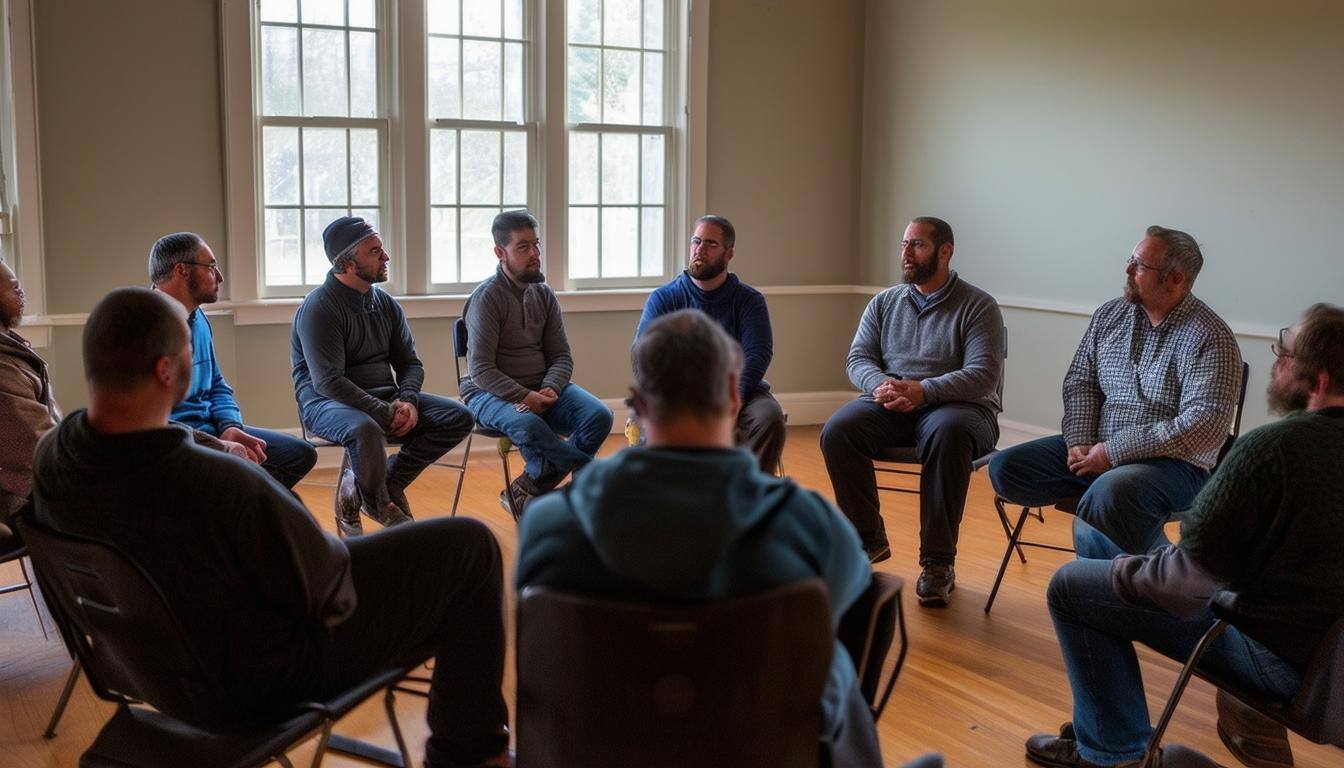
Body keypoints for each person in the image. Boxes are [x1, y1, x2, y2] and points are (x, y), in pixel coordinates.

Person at [30, 287, 511, 768]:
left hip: (144, 671)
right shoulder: (221, 485)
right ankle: (470, 752)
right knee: (470, 545)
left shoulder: (54, 458)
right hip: (255, 687)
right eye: (187, 352)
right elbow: (332, 591)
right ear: (166, 370)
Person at [516, 308, 887, 767]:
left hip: (602, 750)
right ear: (734, 396)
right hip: (760, 750)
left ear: (638, 403)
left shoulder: (550, 524)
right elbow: (851, 601)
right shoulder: (808, 523)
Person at [1024, 303, 1344, 768]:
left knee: (1072, 586)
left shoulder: (1272, 451)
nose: (1276, 360)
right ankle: (1103, 724)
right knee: (1094, 535)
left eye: (1286, 352)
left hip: (1276, 660)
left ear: (1317, 383)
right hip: (1329, 663)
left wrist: (1124, 574)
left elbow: (1182, 590)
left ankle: (1113, 753)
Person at [989, 226, 1242, 560]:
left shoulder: (1211, 337)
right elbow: (1081, 381)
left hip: (1173, 466)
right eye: (1131, 260)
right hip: (1097, 450)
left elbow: (1204, 426)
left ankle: (1132, 578)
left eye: (1139, 266)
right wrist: (1079, 440)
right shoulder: (1111, 315)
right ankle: (1155, 560)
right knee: (1006, 468)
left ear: (1176, 278)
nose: (1127, 270)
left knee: (1111, 493)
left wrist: (1115, 452)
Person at [820, 216, 1003, 606]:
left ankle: (938, 563)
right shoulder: (884, 303)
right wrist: (882, 386)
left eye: (917, 245)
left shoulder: (978, 306)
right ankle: (866, 540)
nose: (906, 253)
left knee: (946, 432)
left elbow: (982, 375)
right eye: (904, 244)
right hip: (891, 400)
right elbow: (858, 359)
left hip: (961, 408)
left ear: (945, 251)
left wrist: (924, 390)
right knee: (837, 430)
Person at [291, 216, 474, 536]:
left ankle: (386, 482)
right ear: (347, 262)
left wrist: (407, 400)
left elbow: (411, 364)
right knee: (365, 429)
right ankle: (376, 501)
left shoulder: (387, 304)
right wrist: (383, 411)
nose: (386, 257)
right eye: (375, 251)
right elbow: (327, 381)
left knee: (457, 416)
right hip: (325, 404)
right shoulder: (319, 307)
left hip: (385, 397)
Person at [460, 210, 613, 517]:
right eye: (523, 247)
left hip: (543, 388)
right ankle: (589, 483)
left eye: (536, 245)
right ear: (500, 253)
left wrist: (549, 388)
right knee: (528, 423)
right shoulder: (487, 298)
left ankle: (529, 489)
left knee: (599, 415)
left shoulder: (543, 294)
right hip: (488, 394)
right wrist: (525, 397)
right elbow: (481, 369)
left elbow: (561, 355)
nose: (535, 254)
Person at [150, 232, 317, 489]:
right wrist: (217, 445)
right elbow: (148, 424)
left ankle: (237, 515)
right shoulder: (146, 327)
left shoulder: (199, 318)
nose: (219, 277)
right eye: (211, 267)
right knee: (238, 474)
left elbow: (217, 383)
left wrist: (230, 426)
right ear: (182, 270)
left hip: (211, 429)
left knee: (299, 454)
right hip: (175, 442)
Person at [633, 214, 786, 473]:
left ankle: (747, 500)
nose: (699, 250)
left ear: (729, 254)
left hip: (739, 391)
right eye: (696, 241)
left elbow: (757, 353)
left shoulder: (749, 300)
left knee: (769, 419)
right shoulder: (665, 298)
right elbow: (643, 354)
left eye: (711, 244)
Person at [0, 258, 59, 519]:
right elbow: (35, 446)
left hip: (39, 477)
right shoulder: (3, 366)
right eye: (13, 288)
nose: (21, 293)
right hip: (21, 496)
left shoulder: (11, 346)